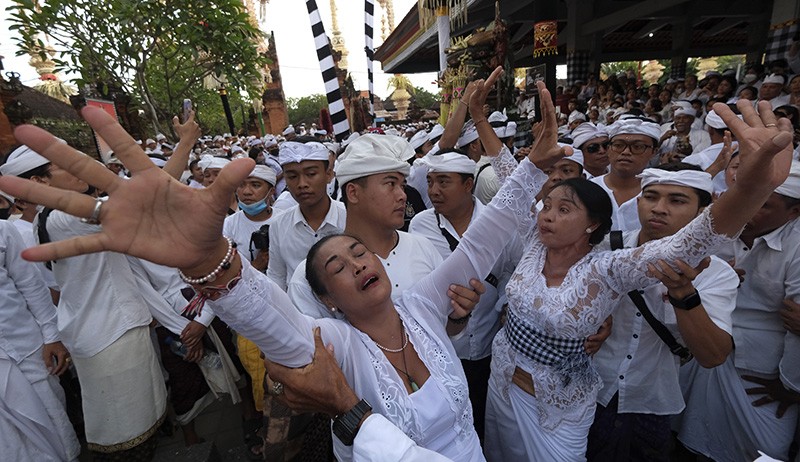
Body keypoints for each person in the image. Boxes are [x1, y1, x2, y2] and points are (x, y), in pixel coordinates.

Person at [477, 94, 793, 459]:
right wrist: (479, 117)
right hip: (502, 385)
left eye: (564, 209)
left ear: (592, 224)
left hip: (561, 411)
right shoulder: (536, 242)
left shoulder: (606, 267)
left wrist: (750, 189)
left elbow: (683, 248)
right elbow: (511, 179)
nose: (546, 215)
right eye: (546, 206)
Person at [586, 163, 739, 461]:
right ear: (638, 202)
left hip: (649, 401)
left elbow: (713, 355)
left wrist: (683, 294)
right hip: (588, 388)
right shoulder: (603, 248)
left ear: (703, 212)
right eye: (651, 197)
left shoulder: (716, 272)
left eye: (676, 200)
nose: (658, 208)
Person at [674, 160, 800, 462]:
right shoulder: (713, 225)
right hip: (702, 353)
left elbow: (797, 327)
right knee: (688, 433)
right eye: (744, 197)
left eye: (763, 205)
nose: (747, 209)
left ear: (794, 212)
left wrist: (792, 386)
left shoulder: (797, 246)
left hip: (762, 374)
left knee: (767, 450)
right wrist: (714, 275)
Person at [0, 219, 80, 462]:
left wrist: (52, 336)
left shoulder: (3, 229)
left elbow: (31, 285)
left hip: (27, 347)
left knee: (53, 417)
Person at [267, 141, 346, 291]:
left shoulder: (350, 218)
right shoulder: (279, 225)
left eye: (311, 174)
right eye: (292, 176)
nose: (302, 184)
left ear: (329, 175)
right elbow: (277, 276)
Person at [590, 116, 661, 232]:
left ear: (654, 152)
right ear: (608, 149)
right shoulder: (589, 189)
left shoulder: (662, 193)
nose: (626, 152)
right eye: (618, 145)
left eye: (637, 147)